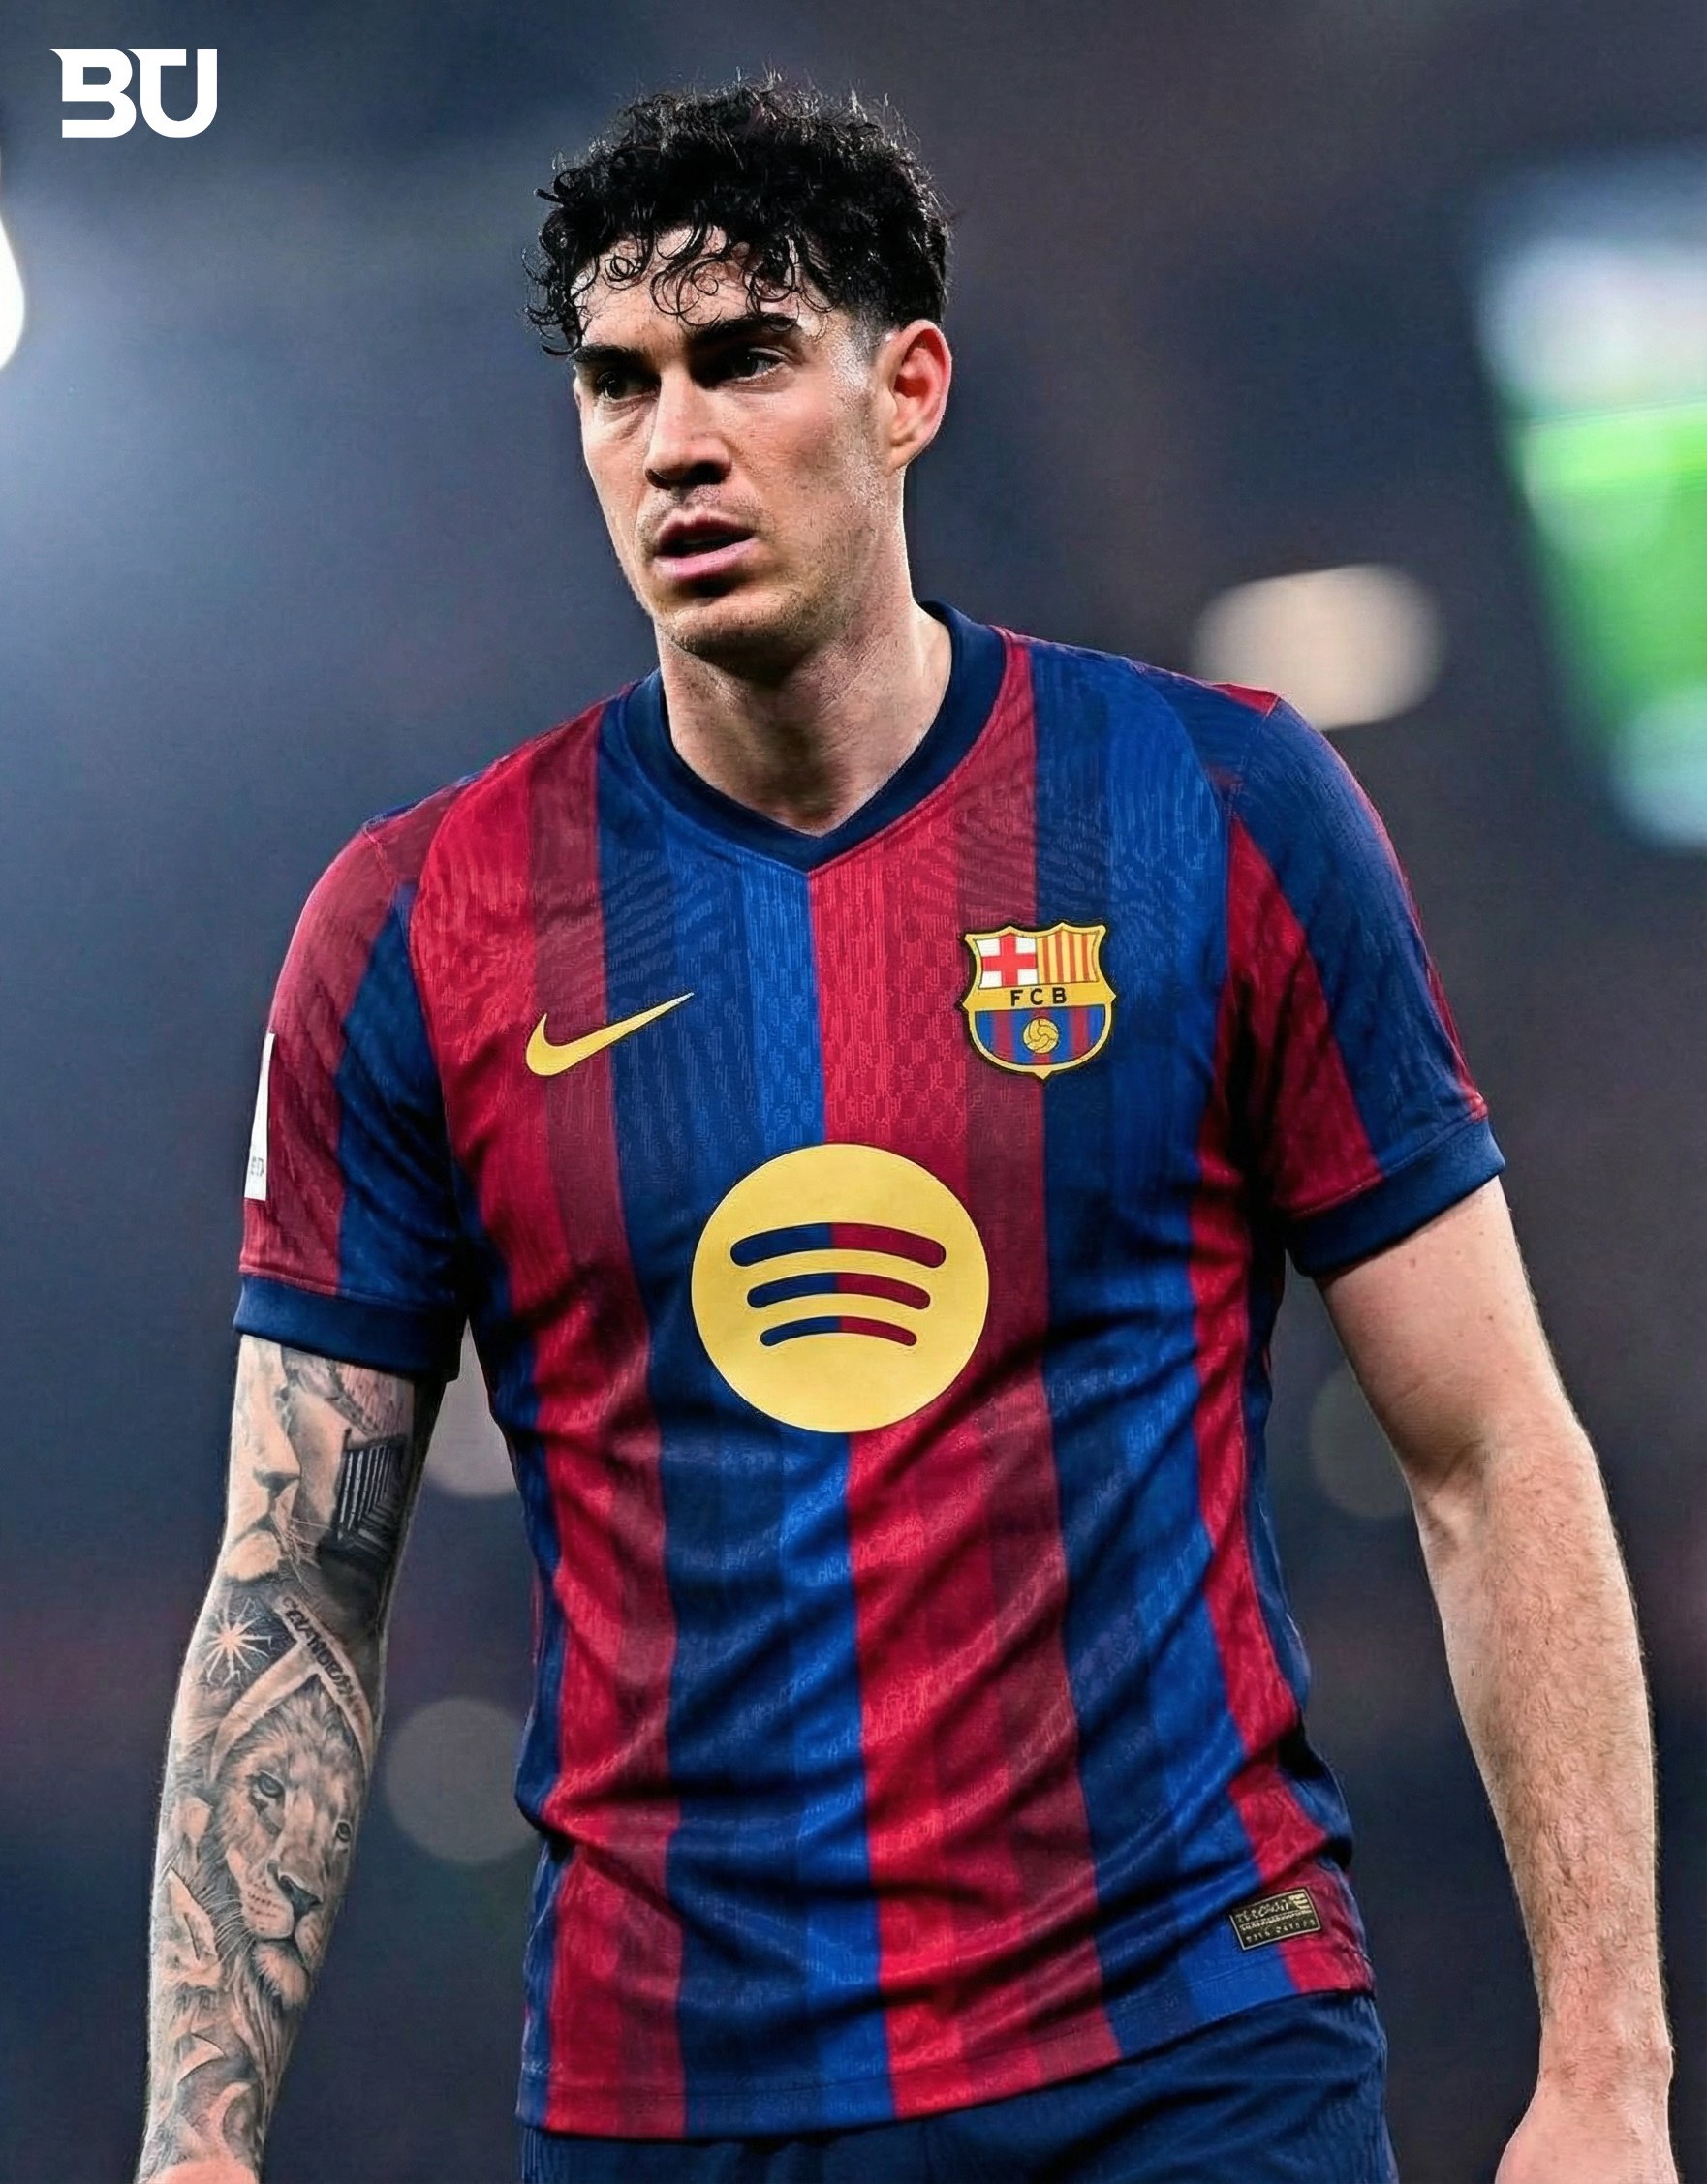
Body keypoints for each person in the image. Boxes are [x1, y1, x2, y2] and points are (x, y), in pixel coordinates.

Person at [137, 78, 1677, 2184]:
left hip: (1194, 2050)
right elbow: (297, 1583)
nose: (673, 439)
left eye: (745, 357)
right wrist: (196, 2144)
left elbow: (1488, 1448)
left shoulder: (1217, 808)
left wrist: (1606, 2070)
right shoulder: (416, 927)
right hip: (680, 2104)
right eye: (617, 383)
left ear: (907, 389)